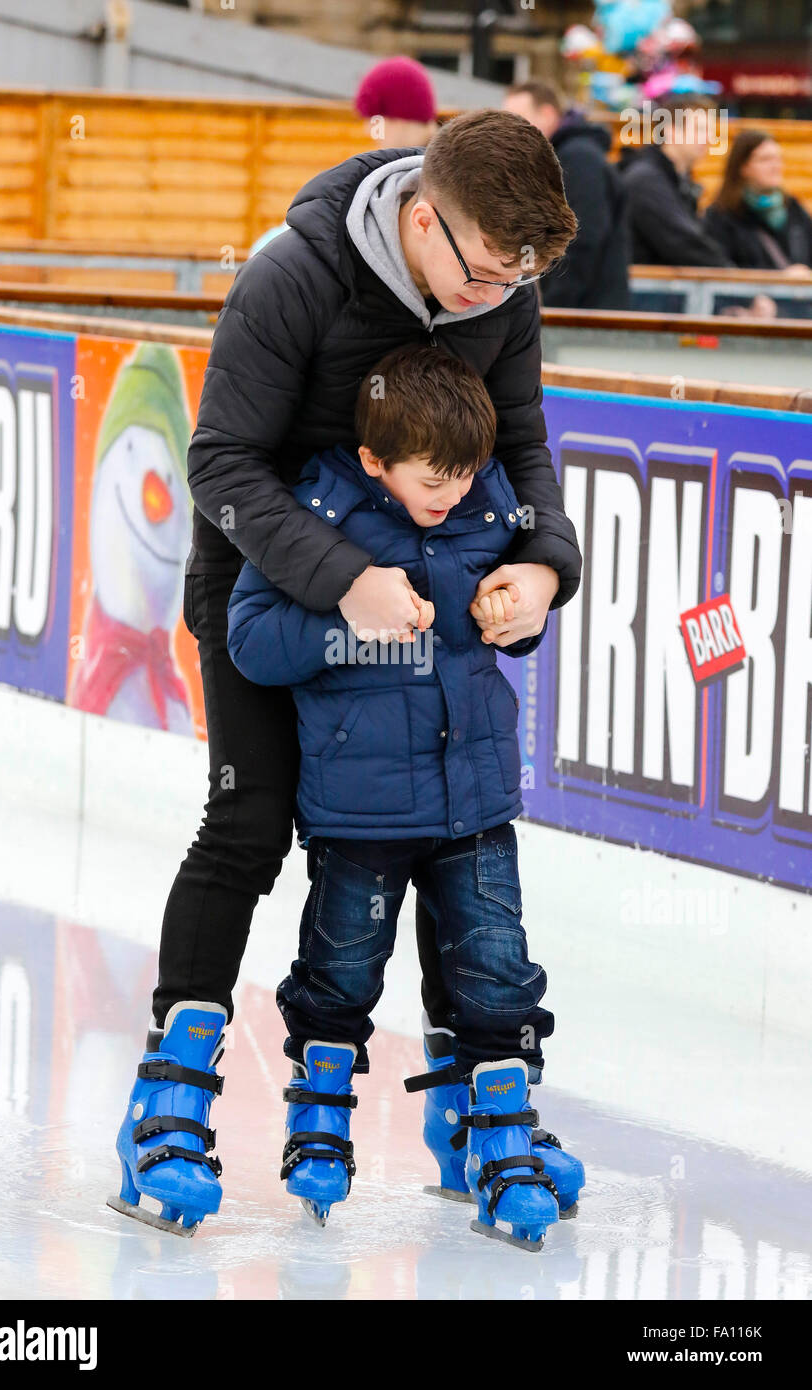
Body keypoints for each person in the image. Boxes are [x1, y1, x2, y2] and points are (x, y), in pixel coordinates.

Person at [109, 109, 582, 1236]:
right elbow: (218, 462)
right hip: (268, 594)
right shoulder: (293, 277)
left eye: (515, 278)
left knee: (450, 830)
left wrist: (544, 565)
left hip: (421, 598)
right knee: (250, 825)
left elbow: (521, 450)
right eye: (480, 271)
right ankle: (165, 1107)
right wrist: (342, 581)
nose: (495, 295)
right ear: (423, 221)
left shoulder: (501, 292)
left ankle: (470, 1105)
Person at [226, 346, 585, 1246]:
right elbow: (252, 641)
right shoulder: (320, 514)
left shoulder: (491, 501)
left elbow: (526, 591)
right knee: (342, 970)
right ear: (377, 459)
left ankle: (498, 1136)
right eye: (436, 479)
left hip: (476, 803)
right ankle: (318, 1115)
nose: (455, 496)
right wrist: (343, 610)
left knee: (497, 972)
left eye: (466, 476)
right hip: (361, 810)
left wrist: (520, 609)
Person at [504, 80, 629, 309]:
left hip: (587, 311)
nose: (512, 131)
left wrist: (555, 303)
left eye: (519, 118)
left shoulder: (577, 158)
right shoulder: (565, 155)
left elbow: (583, 236)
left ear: (548, 113)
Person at [621, 96, 733, 267]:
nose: (709, 139)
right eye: (699, 129)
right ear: (670, 130)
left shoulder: (676, 182)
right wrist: (735, 278)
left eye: (710, 131)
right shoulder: (646, 181)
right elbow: (685, 245)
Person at [703, 130, 812, 275]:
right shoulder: (721, 217)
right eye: (765, 159)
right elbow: (721, 270)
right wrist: (778, 278)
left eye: (778, 159)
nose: (776, 166)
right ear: (743, 167)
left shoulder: (793, 209)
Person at [354, 55, 439, 151]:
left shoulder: (440, 163)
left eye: (376, 122)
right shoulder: (440, 158)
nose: (368, 131)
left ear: (400, 120)